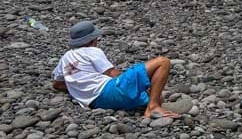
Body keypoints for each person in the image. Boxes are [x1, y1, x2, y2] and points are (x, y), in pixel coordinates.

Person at [51, 21, 180, 118]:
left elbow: (57, 84)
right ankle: (152, 108)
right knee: (162, 62)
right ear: (92, 39)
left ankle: (151, 103)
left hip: (96, 103)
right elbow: (113, 74)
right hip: (108, 91)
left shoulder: (66, 58)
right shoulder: (92, 51)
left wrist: (79, 88)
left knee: (154, 97)